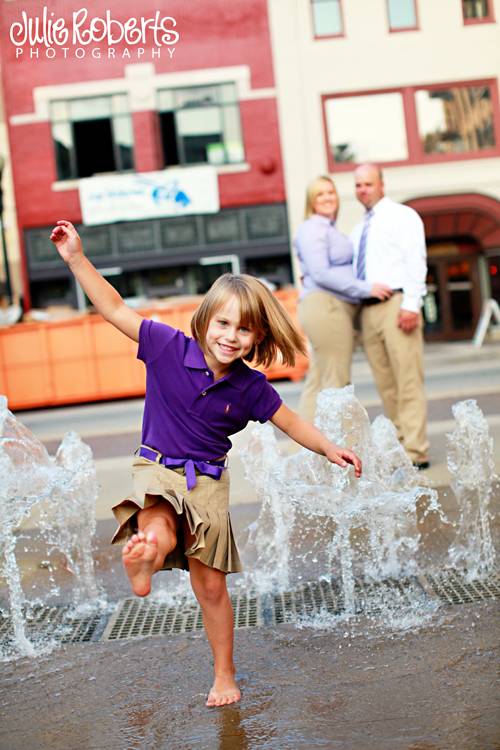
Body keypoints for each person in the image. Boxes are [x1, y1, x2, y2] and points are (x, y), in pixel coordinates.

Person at [50, 219, 363, 708]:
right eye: (222, 323)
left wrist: (328, 447)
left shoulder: (250, 386)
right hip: (156, 467)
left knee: (211, 586)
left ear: (258, 335)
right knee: (160, 519)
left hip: (209, 482)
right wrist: (75, 258)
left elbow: (290, 421)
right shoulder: (167, 346)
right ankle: (146, 556)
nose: (230, 336)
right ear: (204, 320)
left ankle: (224, 673)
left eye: (243, 329)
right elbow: (112, 306)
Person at [294, 175, 392, 422]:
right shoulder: (312, 228)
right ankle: (340, 454)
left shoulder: (328, 229)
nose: (327, 198)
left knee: (319, 381)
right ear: (311, 202)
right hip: (327, 306)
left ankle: (305, 451)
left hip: (331, 306)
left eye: (331, 192)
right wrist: (366, 288)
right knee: (337, 383)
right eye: (320, 194)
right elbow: (320, 273)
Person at [350, 163, 429, 468]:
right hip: (368, 311)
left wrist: (411, 303)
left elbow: (415, 260)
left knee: (407, 379)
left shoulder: (402, 216)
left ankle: (416, 450)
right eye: (358, 185)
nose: (363, 190)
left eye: (368, 184)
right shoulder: (358, 230)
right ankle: (400, 446)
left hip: (398, 304)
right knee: (386, 384)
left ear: (382, 184)